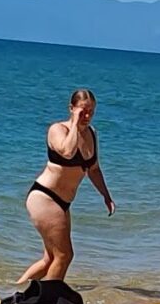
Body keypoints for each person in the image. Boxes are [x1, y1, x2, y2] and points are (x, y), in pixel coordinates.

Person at [20, 86, 114, 284]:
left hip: (63, 203)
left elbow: (94, 169)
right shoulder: (57, 130)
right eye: (82, 110)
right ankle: (48, 301)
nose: (87, 116)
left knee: (50, 259)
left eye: (91, 111)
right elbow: (68, 152)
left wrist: (106, 195)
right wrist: (75, 124)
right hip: (45, 198)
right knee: (65, 255)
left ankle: (15, 291)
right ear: (71, 108)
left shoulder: (92, 134)